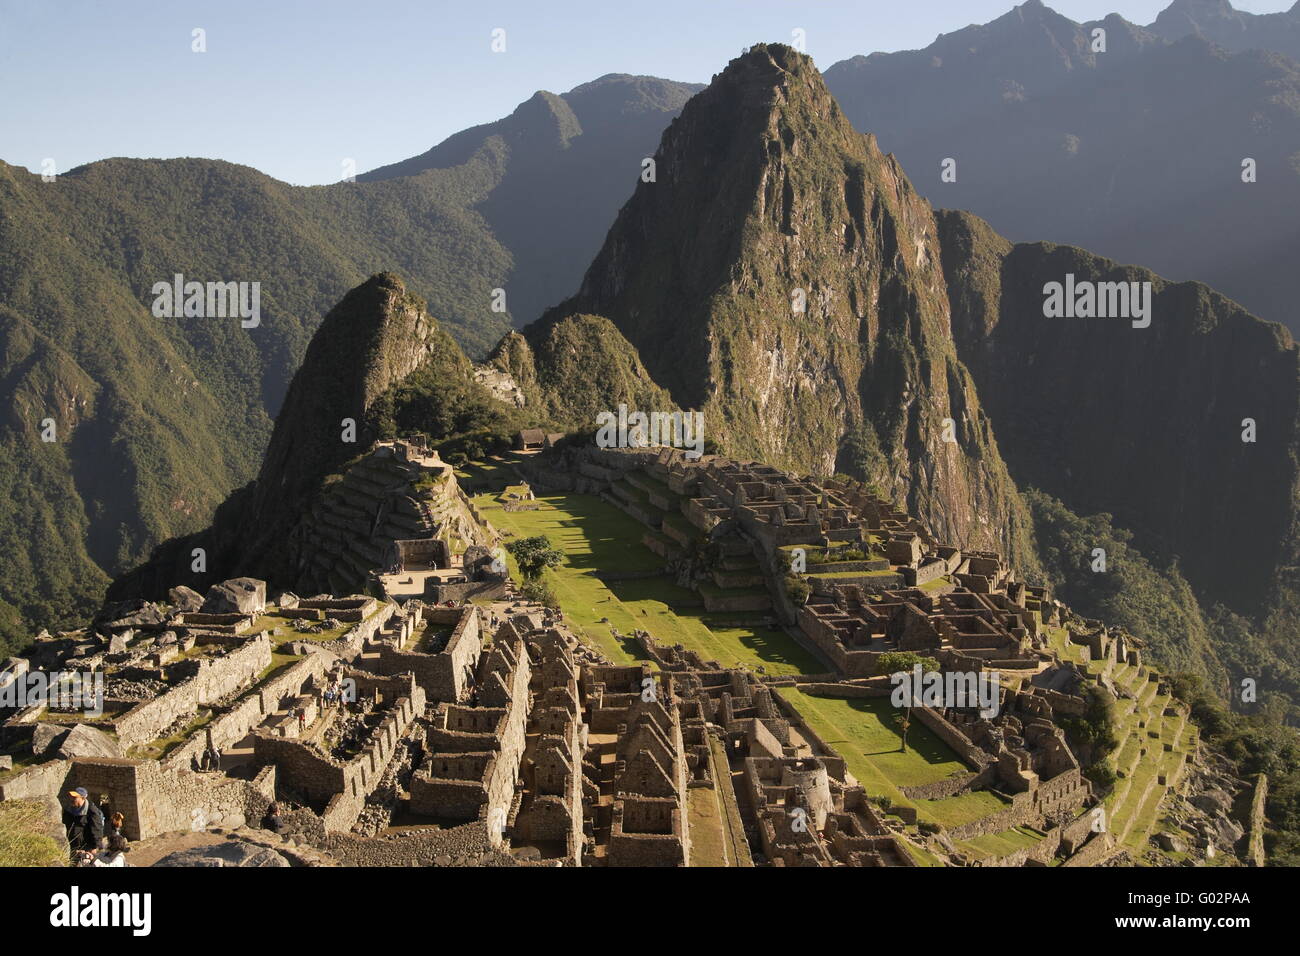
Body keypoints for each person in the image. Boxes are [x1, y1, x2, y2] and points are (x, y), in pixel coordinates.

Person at [62, 787, 104, 859]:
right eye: (71, 797)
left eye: (75, 797)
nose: (71, 799)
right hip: (70, 845)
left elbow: (97, 830)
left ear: (83, 798)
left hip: (85, 848)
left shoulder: (92, 811)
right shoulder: (68, 810)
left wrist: (94, 847)